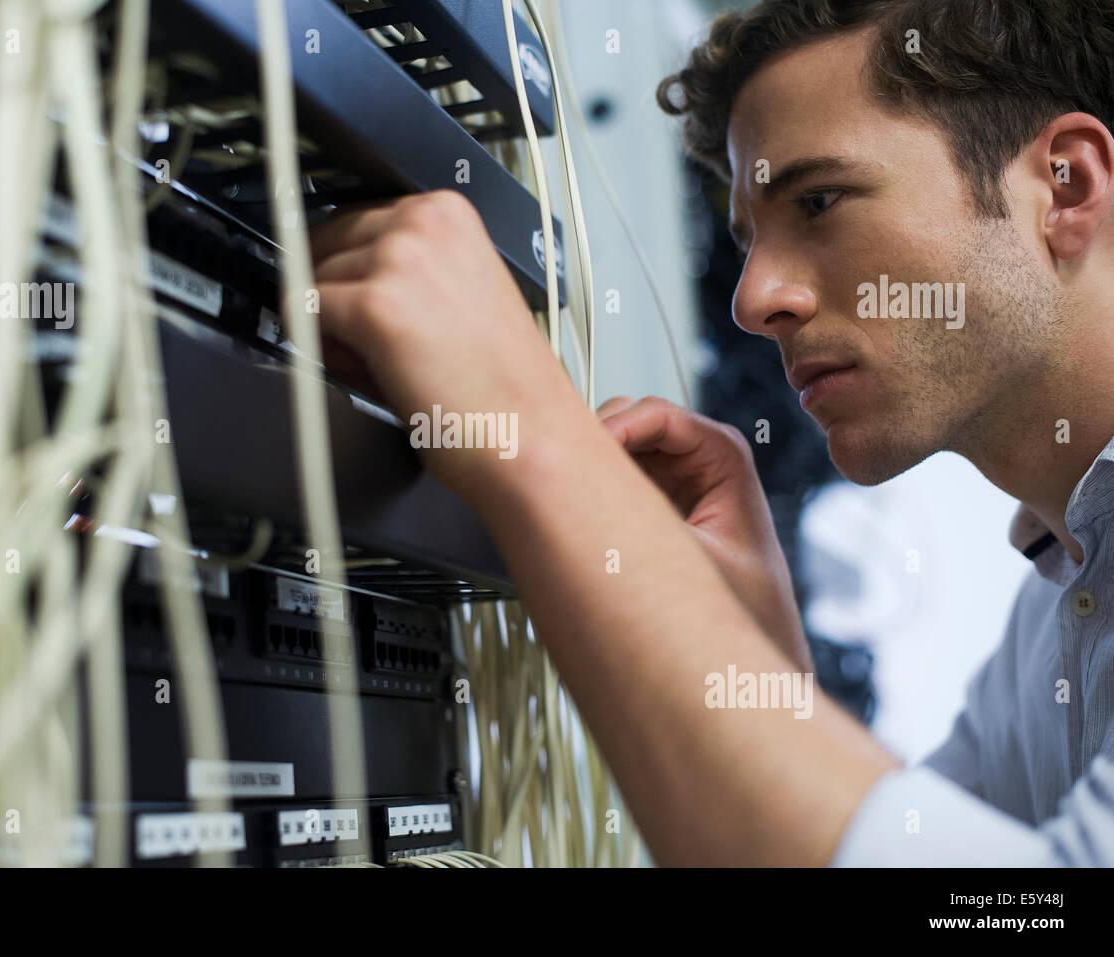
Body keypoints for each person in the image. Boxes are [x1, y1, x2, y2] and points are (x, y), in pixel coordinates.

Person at [306, 0, 1114, 865]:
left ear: (1065, 185)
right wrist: (763, 661)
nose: (754, 298)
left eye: (819, 200)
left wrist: (535, 443)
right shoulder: (1057, 614)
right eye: (747, 238)